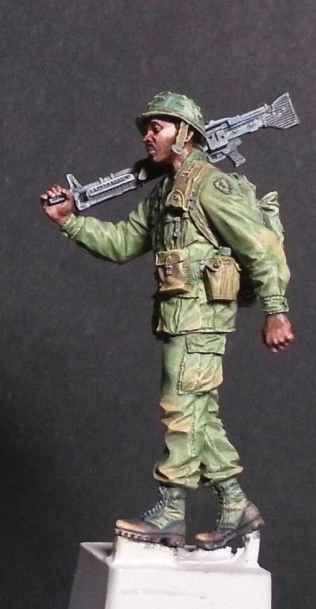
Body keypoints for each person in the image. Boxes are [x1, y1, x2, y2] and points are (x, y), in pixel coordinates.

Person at [40, 92, 294, 550]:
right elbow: (122, 242)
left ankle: (171, 512)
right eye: (147, 129)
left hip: (202, 319)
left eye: (157, 127)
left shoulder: (211, 186)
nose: (147, 136)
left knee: (179, 408)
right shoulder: (166, 193)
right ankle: (236, 505)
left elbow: (261, 248)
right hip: (180, 318)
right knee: (199, 414)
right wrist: (70, 221)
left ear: (187, 133)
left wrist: (276, 311)